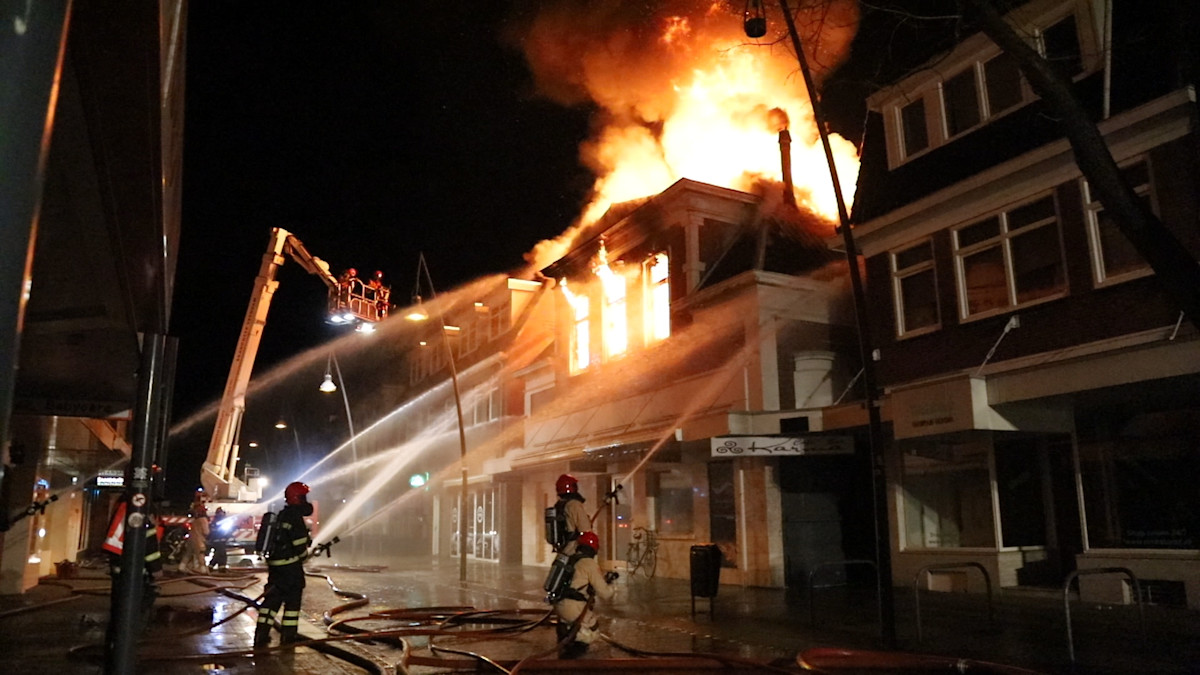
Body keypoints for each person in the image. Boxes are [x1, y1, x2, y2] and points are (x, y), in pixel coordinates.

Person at [255, 481, 313, 648]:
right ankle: (288, 637)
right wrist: (305, 556)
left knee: (271, 603)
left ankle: (261, 635)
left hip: (276, 568)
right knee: (292, 604)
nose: (306, 501)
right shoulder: (295, 518)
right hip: (290, 570)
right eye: (303, 497)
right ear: (297, 498)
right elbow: (299, 545)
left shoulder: (281, 515)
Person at [551, 531, 616, 659]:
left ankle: (564, 645)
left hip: (559, 605)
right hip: (574, 607)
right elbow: (605, 594)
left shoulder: (570, 559)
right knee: (592, 630)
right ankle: (575, 656)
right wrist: (612, 587)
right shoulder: (589, 563)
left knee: (569, 626)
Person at [553, 473, 589, 554]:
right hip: (574, 549)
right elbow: (585, 529)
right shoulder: (574, 505)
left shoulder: (560, 505)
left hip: (564, 549)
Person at [178, 503, 210, 575]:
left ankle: (181, 567)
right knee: (200, 554)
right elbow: (206, 532)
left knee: (188, 554)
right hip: (199, 541)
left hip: (191, 540)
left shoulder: (194, 520)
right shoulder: (203, 520)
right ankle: (203, 570)